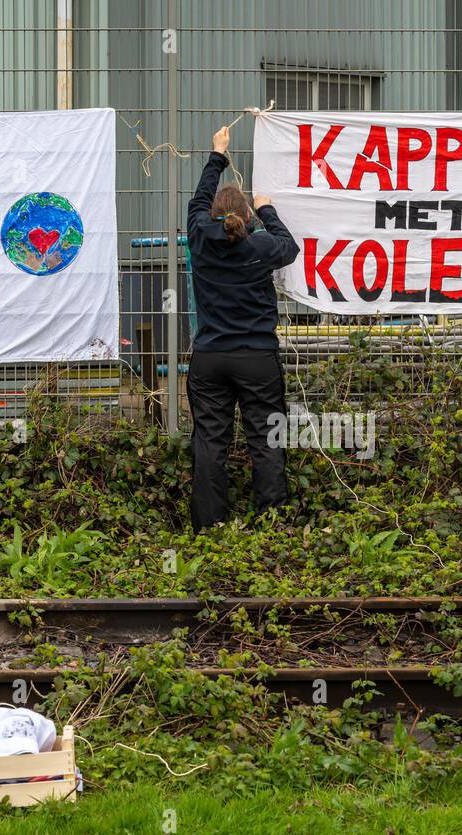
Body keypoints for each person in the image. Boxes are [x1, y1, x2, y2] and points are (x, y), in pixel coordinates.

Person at [185, 124, 300, 533]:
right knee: (266, 438)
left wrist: (218, 153)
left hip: (210, 357)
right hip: (257, 359)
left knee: (210, 442)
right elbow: (290, 246)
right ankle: (271, 522)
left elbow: (198, 199)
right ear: (247, 217)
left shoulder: (199, 236)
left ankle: (209, 527)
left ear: (213, 215)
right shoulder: (262, 246)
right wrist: (267, 208)